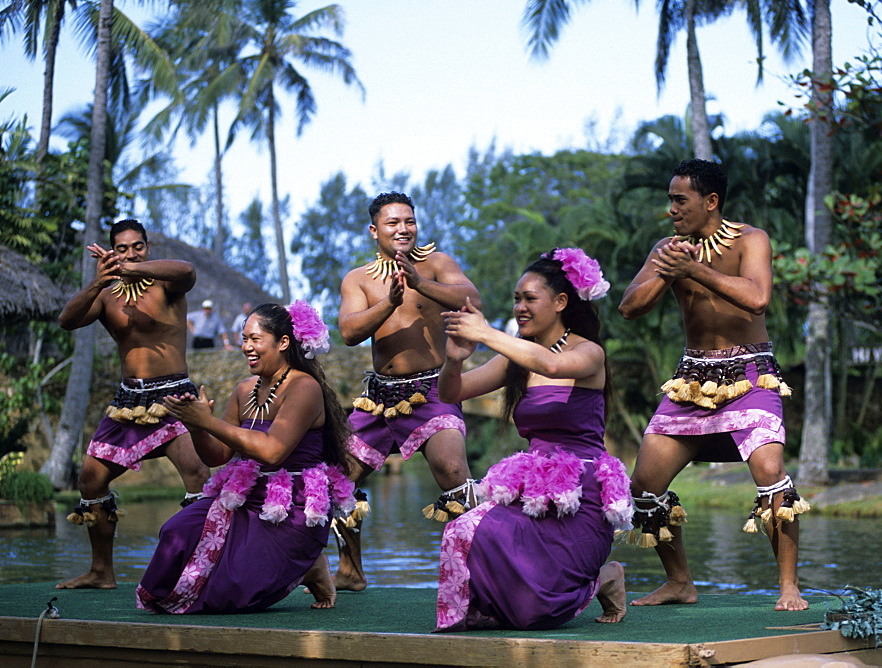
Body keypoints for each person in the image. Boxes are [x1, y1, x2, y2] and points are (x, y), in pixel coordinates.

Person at [618, 159, 809, 612]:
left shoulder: (751, 239)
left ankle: (788, 587)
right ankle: (680, 582)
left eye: (679, 200)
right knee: (644, 484)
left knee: (769, 471)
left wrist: (695, 271)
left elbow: (758, 298)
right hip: (690, 381)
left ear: (710, 202)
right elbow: (629, 308)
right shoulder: (668, 249)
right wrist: (668, 269)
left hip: (751, 374)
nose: (671, 209)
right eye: (669, 200)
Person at [435, 249, 631, 631]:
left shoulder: (588, 352)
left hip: (581, 497)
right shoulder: (515, 358)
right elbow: (451, 393)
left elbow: (552, 365)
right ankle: (478, 607)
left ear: (560, 302)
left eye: (529, 298)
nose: (520, 307)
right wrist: (455, 359)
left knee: (539, 613)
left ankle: (605, 576)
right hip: (532, 489)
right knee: (465, 527)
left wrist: (487, 333)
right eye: (516, 299)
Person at [137, 301, 356, 613]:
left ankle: (310, 566)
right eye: (244, 339)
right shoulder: (244, 390)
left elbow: (273, 450)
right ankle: (302, 566)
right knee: (176, 532)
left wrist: (208, 422)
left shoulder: (304, 387)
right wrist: (196, 425)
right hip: (246, 496)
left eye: (255, 339)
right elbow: (218, 455)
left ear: (283, 343)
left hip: (290, 507)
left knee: (232, 589)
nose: (247, 347)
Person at [336, 191, 481, 591]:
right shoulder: (359, 279)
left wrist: (420, 283)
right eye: (393, 223)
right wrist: (390, 303)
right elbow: (348, 331)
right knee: (338, 477)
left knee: (453, 471)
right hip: (378, 398)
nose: (403, 229)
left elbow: (472, 299)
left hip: (432, 391)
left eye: (409, 222)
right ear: (374, 230)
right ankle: (350, 570)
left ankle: (477, 574)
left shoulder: (437, 263)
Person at [56, 219, 211, 590]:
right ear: (111, 250)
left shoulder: (167, 285)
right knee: (90, 479)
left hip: (174, 396)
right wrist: (98, 281)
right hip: (129, 400)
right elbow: (67, 321)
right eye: (121, 248)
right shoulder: (107, 296)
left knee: (197, 474)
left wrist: (131, 268)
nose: (129, 253)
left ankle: (200, 572)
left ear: (147, 246)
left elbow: (188, 270)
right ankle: (101, 572)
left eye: (137, 246)